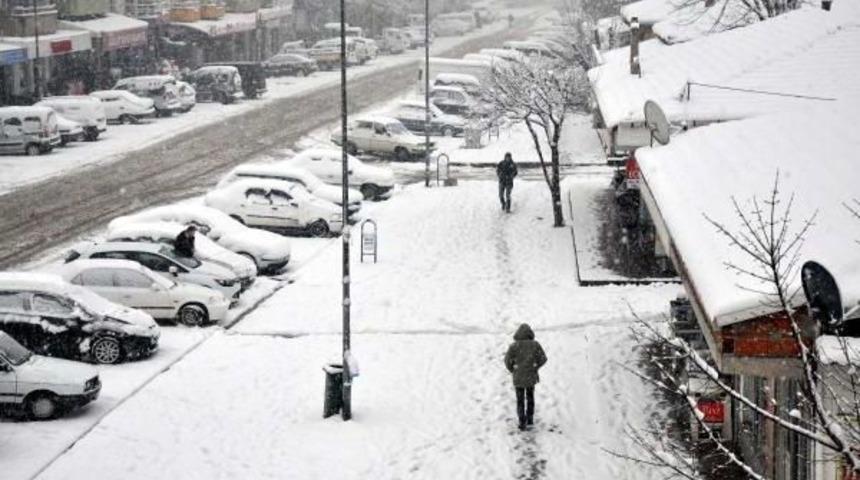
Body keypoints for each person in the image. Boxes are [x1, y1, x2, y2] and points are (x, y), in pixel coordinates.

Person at [505, 323, 547, 431]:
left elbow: (506, 360)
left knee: (520, 400)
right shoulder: (535, 345)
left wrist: (513, 369)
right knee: (530, 398)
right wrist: (535, 367)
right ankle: (530, 419)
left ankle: (521, 421)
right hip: (530, 376)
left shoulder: (514, 346)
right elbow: (543, 358)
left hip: (518, 376)